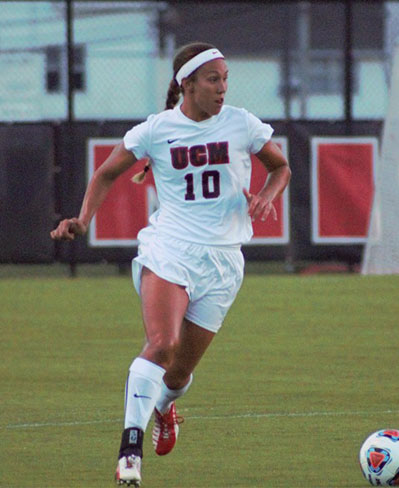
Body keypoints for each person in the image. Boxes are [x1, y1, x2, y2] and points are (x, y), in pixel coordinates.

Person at [50, 42, 291, 486]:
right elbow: (106, 172)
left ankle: (164, 405)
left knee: (178, 373)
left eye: (225, 79)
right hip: (169, 249)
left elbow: (280, 168)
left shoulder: (242, 123)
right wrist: (82, 220)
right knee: (161, 345)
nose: (222, 88)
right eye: (213, 79)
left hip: (223, 263)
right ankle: (129, 453)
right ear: (188, 84)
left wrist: (266, 196)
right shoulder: (156, 130)